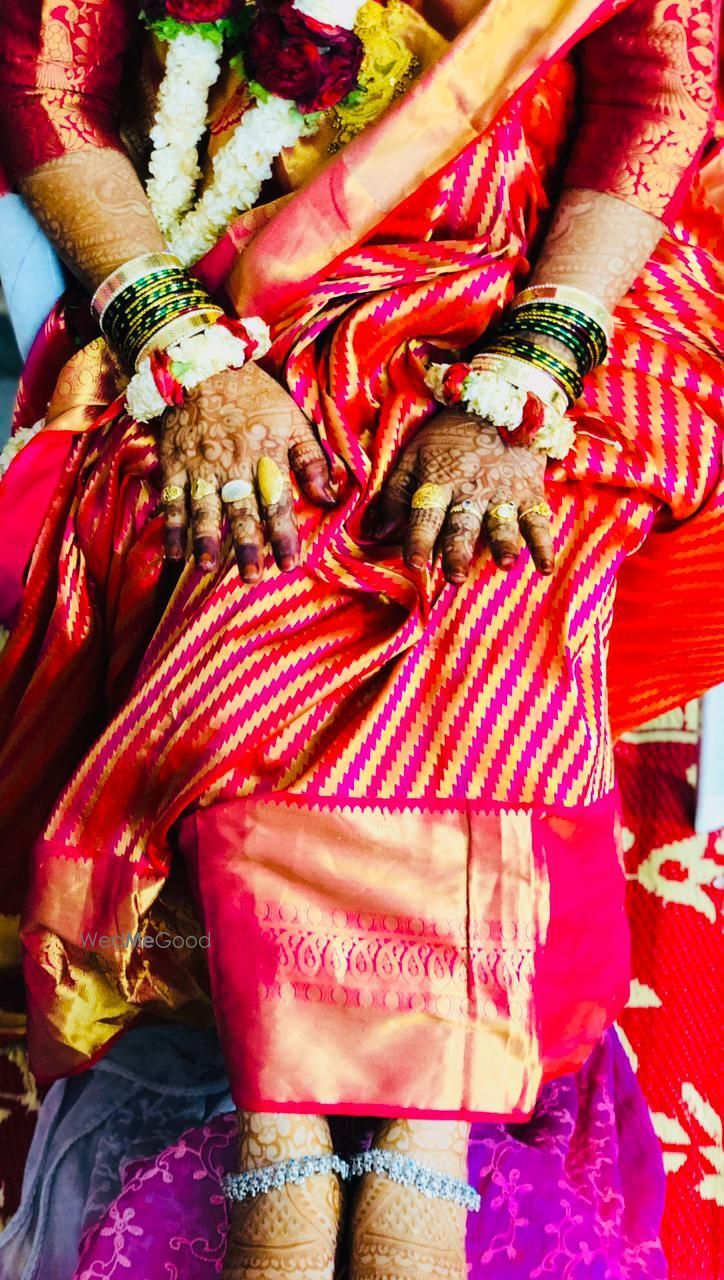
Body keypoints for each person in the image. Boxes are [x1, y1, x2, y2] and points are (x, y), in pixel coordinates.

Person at [0, 1, 722, 1276]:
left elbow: (661, 94)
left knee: (480, 556)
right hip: (232, 289)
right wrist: (185, 351)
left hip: (560, 276)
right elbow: (48, 78)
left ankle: (413, 1157)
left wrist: (530, 370)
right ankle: (294, 1147)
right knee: (241, 537)